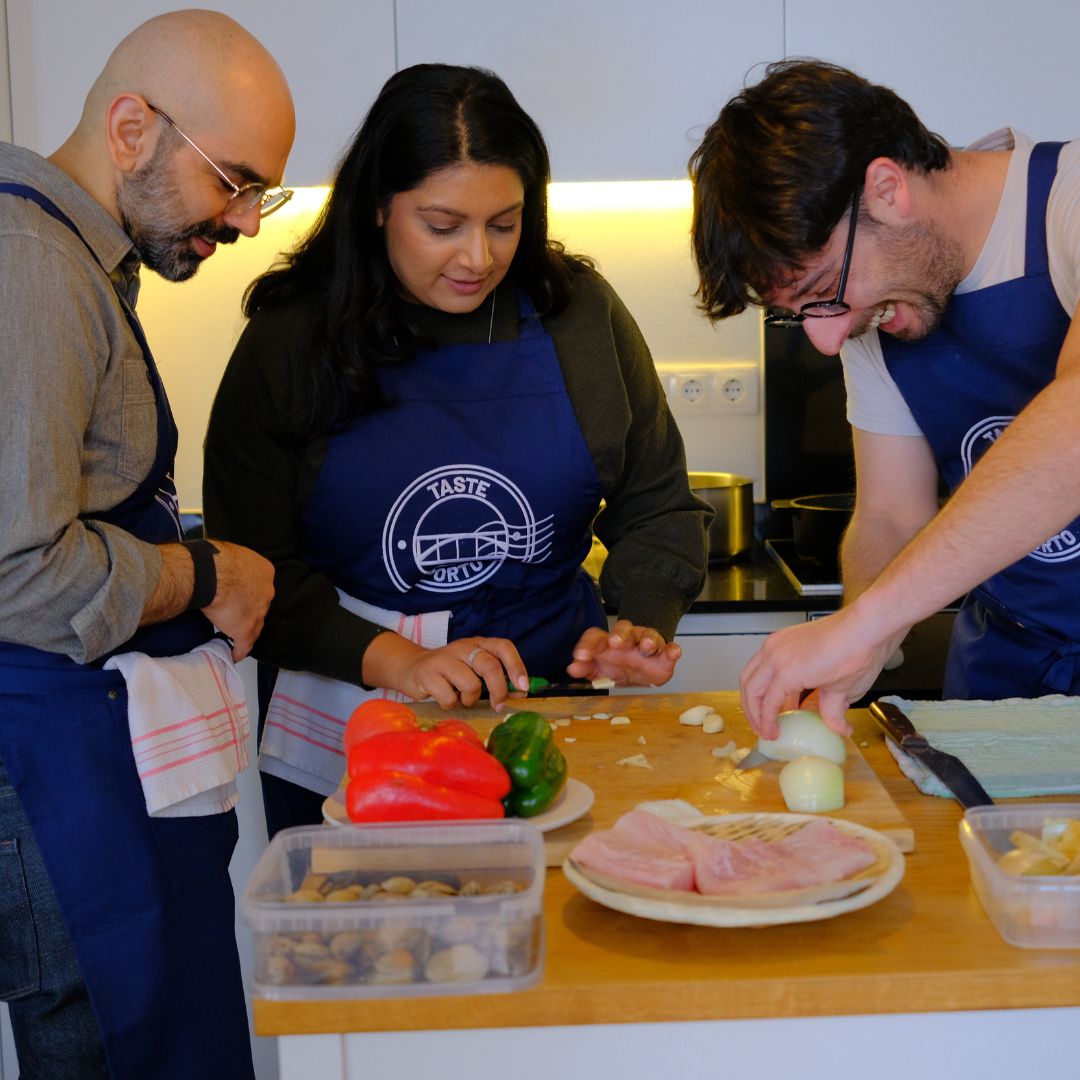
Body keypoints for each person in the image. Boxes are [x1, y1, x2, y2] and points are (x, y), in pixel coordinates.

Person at [203, 63, 709, 834]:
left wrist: (640, 625)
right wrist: (399, 660)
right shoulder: (293, 341)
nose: (478, 257)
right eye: (443, 226)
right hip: (355, 716)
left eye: (504, 223)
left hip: (543, 710)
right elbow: (250, 572)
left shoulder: (579, 318)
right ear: (378, 206)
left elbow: (657, 507)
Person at [0, 10, 293, 1078]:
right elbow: (15, 572)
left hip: (96, 772)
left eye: (262, 192)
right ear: (132, 130)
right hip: (57, 790)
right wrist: (204, 575)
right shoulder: (30, 266)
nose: (246, 220)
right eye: (234, 181)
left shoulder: (82, 256)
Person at [689, 57, 1080, 738]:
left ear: (888, 189)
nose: (827, 339)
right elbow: (891, 517)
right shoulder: (878, 310)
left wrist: (866, 624)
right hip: (1007, 672)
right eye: (799, 314)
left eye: (822, 293)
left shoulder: (1068, 200)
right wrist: (858, 645)